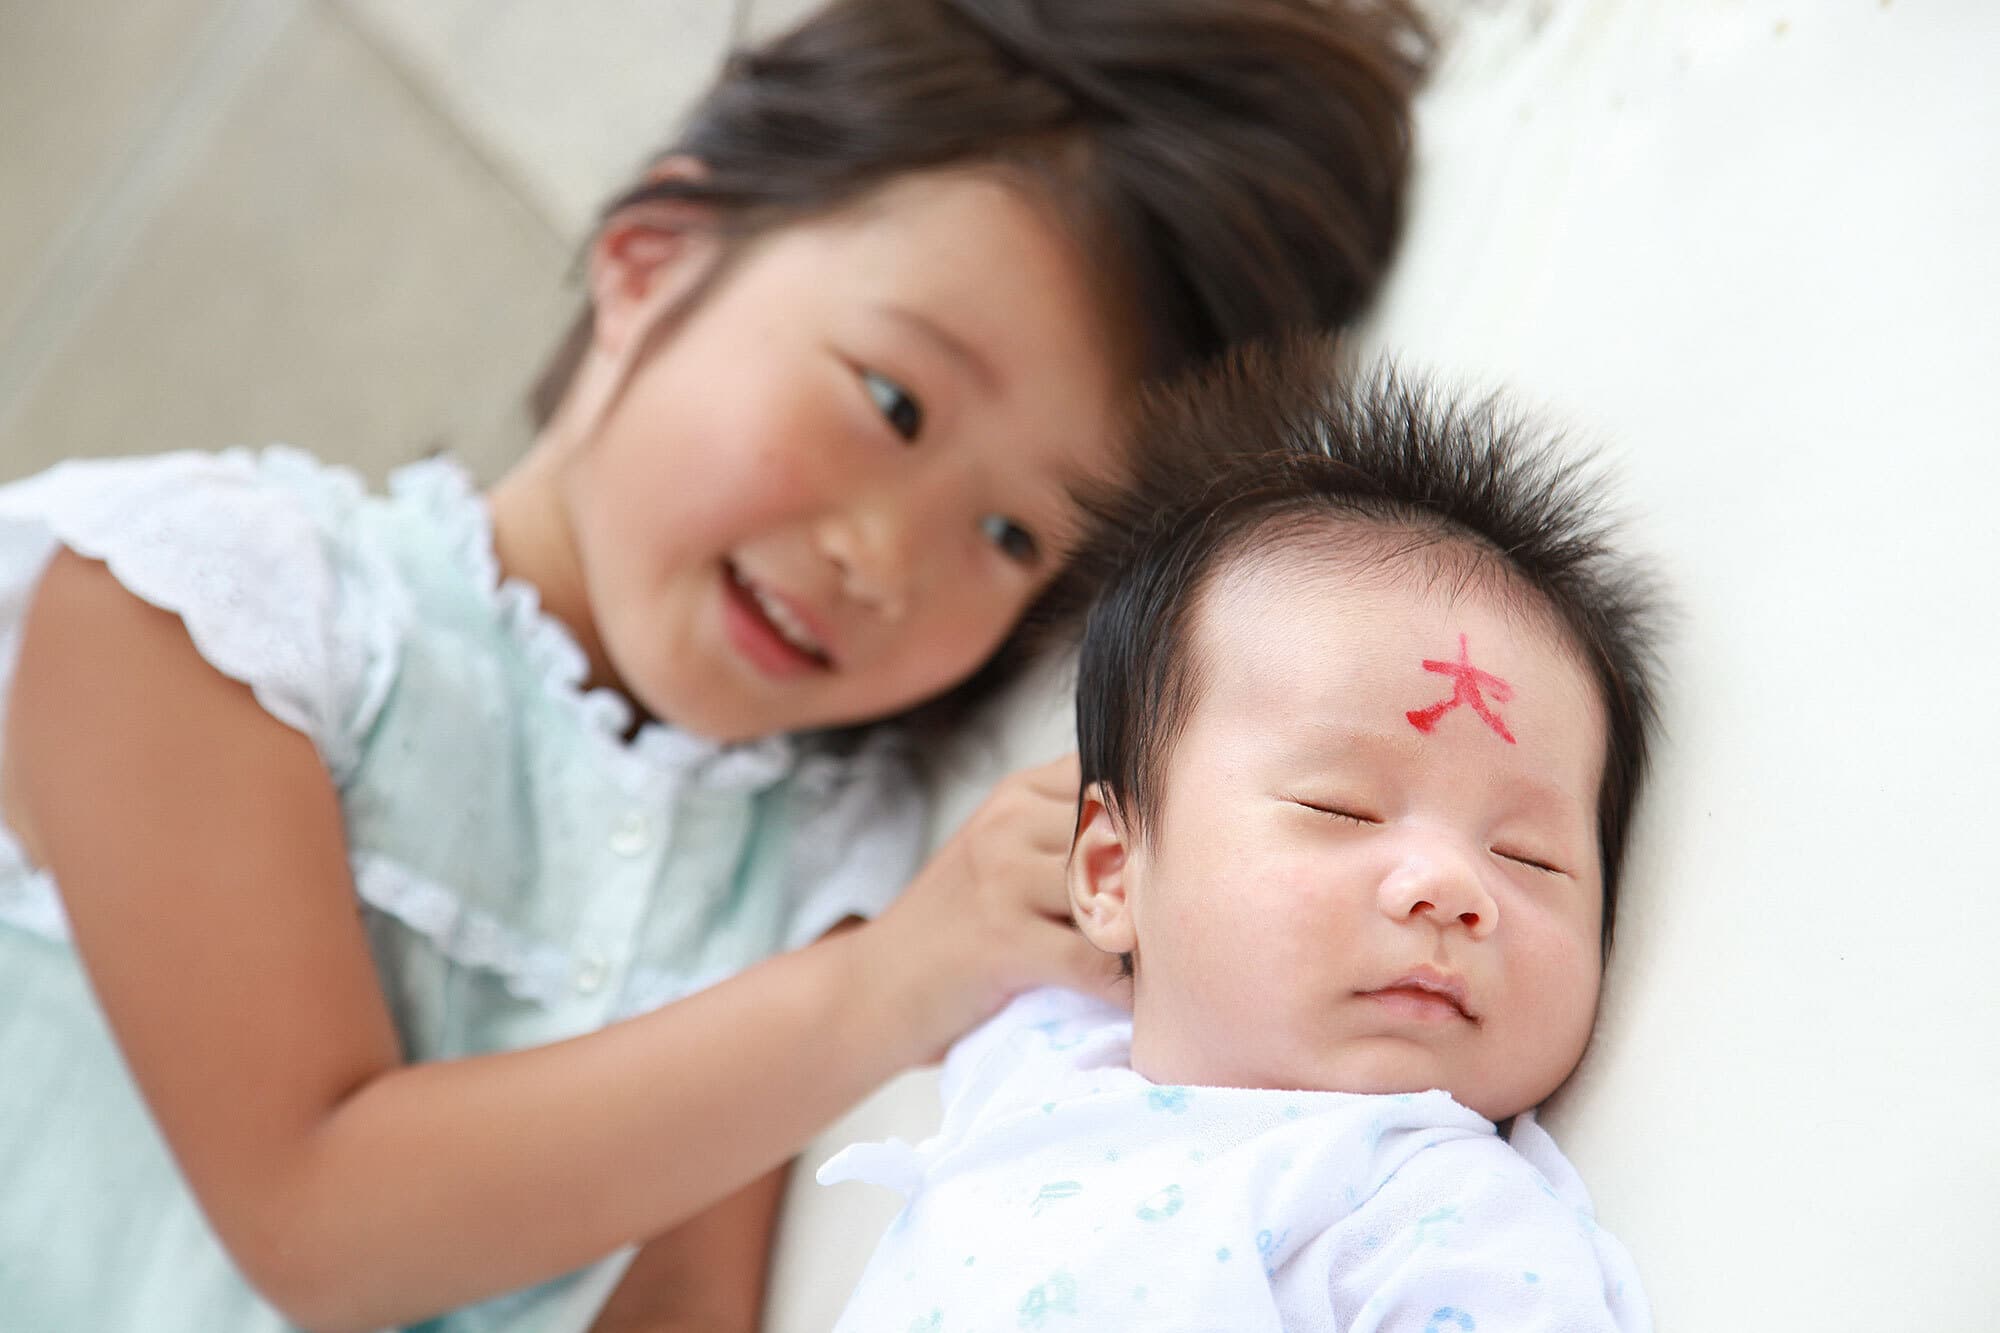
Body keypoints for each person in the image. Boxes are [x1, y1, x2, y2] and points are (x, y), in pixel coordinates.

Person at [0, 2, 1431, 1330]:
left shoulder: (817, 860)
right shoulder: (197, 601)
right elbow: (317, 1216)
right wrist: (889, 987)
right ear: (652, 259)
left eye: (1009, 532)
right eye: (892, 400)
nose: (888, 559)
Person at [820, 341, 1664, 1329]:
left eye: (1529, 858)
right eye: (1337, 808)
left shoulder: (1437, 1215)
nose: (1447, 885)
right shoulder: (1034, 1052)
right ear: (1106, 870)